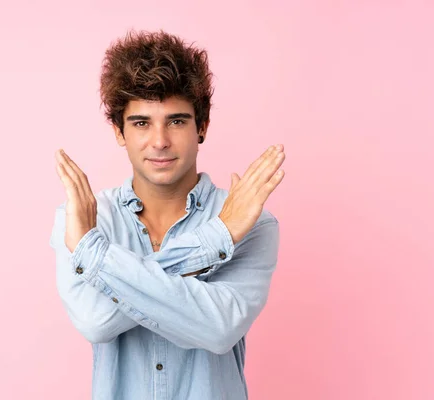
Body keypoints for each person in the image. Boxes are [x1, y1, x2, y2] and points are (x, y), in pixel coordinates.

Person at [49, 30, 286, 400]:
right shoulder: (83, 219)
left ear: (202, 127)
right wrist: (217, 239)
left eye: (176, 121)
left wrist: (97, 258)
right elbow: (95, 321)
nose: (159, 141)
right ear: (119, 131)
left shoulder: (252, 221)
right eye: (142, 123)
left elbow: (219, 328)